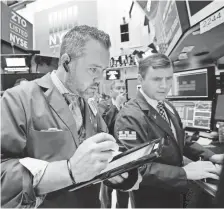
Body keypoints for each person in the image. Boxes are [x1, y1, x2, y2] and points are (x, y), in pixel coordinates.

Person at [1, 25, 140, 208]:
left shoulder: (90, 105)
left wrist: (118, 173)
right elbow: (3, 171)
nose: (100, 79)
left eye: (103, 71)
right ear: (66, 62)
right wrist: (68, 171)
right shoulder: (19, 98)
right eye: (93, 69)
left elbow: (101, 155)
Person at [114, 53, 224, 208]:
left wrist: (211, 156)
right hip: (153, 199)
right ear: (140, 80)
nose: (165, 85)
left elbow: (180, 139)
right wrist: (184, 173)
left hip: (175, 192)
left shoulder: (167, 106)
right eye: (157, 79)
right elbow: (135, 168)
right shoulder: (129, 117)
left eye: (169, 78)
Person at [99, 80, 129, 208]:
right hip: (108, 153)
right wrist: (116, 106)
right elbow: (104, 126)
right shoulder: (102, 105)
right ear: (111, 91)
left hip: (125, 152)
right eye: (118, 88)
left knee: (124, 186)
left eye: (123, 88)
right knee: (107, 188)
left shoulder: (129, 106)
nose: (122, 90)